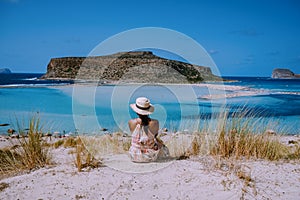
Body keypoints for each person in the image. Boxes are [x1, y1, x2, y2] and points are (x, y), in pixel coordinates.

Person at [128, 97, 169, 162]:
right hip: (149, 156)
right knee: (161, 145)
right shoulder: (155, 122)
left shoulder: (131, 122)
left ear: (136, 111)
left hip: (134, 155)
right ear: (148, 111)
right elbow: (155, 136)